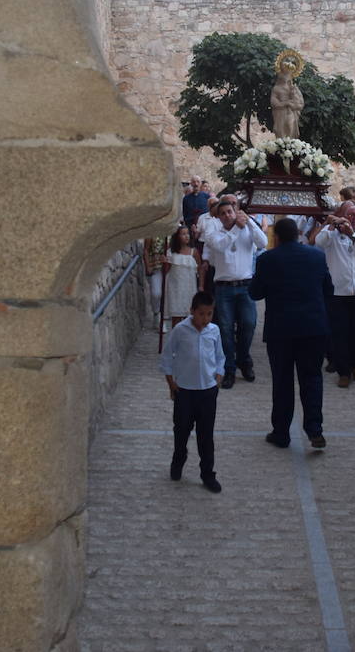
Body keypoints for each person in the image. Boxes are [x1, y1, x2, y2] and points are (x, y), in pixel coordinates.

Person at [250, 218, 333, 450]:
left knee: (282, 382)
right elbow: (329, 289)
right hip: (313, 328)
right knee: (312, 379)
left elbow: (255, 293)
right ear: (298, 234)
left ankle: (281, 433)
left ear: (276, 236)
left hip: (281, 330)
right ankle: (315, 429)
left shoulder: (267, 259)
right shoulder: (317, 257)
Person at [160, 291, 225, 493]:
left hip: (207, 392)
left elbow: (220, 356)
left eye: (209, 314)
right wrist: (171, 383)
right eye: (201, 314)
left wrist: (218, 377)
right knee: (181, 430)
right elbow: (167, 357)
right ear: (192, 312)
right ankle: (178, 461)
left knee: (206, 436)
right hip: (185, 392)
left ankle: (208, 474)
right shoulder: (180, 330)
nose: (205, 319)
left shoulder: (214, 331)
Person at [203, 196, 267, 388]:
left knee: (249, 324)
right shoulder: (214, 233)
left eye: (230, 211)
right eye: (223, 214)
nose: (227, 215)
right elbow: (221, 246)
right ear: (219, 217)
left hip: (246, 285)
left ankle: (244, 359)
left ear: (235, 211)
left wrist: (249, 224)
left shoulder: (246, 227)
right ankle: (229, 368)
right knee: (225, 330)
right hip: (224, 288)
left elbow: (263, 242)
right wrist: (237, 228)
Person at [314, 201, 355, 387]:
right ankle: (343, 372)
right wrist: (330, 225)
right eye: (350, 215)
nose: (353, 218)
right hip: (338, 293)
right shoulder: (332, 236)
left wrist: (352, 235)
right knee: (339, 333)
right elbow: (318, 242)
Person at [164, 225, 199, 328]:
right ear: (177, 236)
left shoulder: (194, 252)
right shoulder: (171, 252)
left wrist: (200, 285)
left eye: (187, 233)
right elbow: (166, 271)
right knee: (176, 315)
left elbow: (200, 269)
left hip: (189, 286)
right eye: (183, 234)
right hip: (175, 287)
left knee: (189, 315)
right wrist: (165, 262)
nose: (186, 236)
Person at [270, 68, 304, 139]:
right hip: (280, 113)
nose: (286, 76)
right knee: (280, 130)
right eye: (284, 74)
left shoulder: (294, 88)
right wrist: (285, 103)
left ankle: (290, 144)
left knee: (290, 127)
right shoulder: (276, 88)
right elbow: (273, 102)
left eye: (288, 75)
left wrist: (294, 101)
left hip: (291, 112)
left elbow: (300, 103)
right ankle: (281, 145)